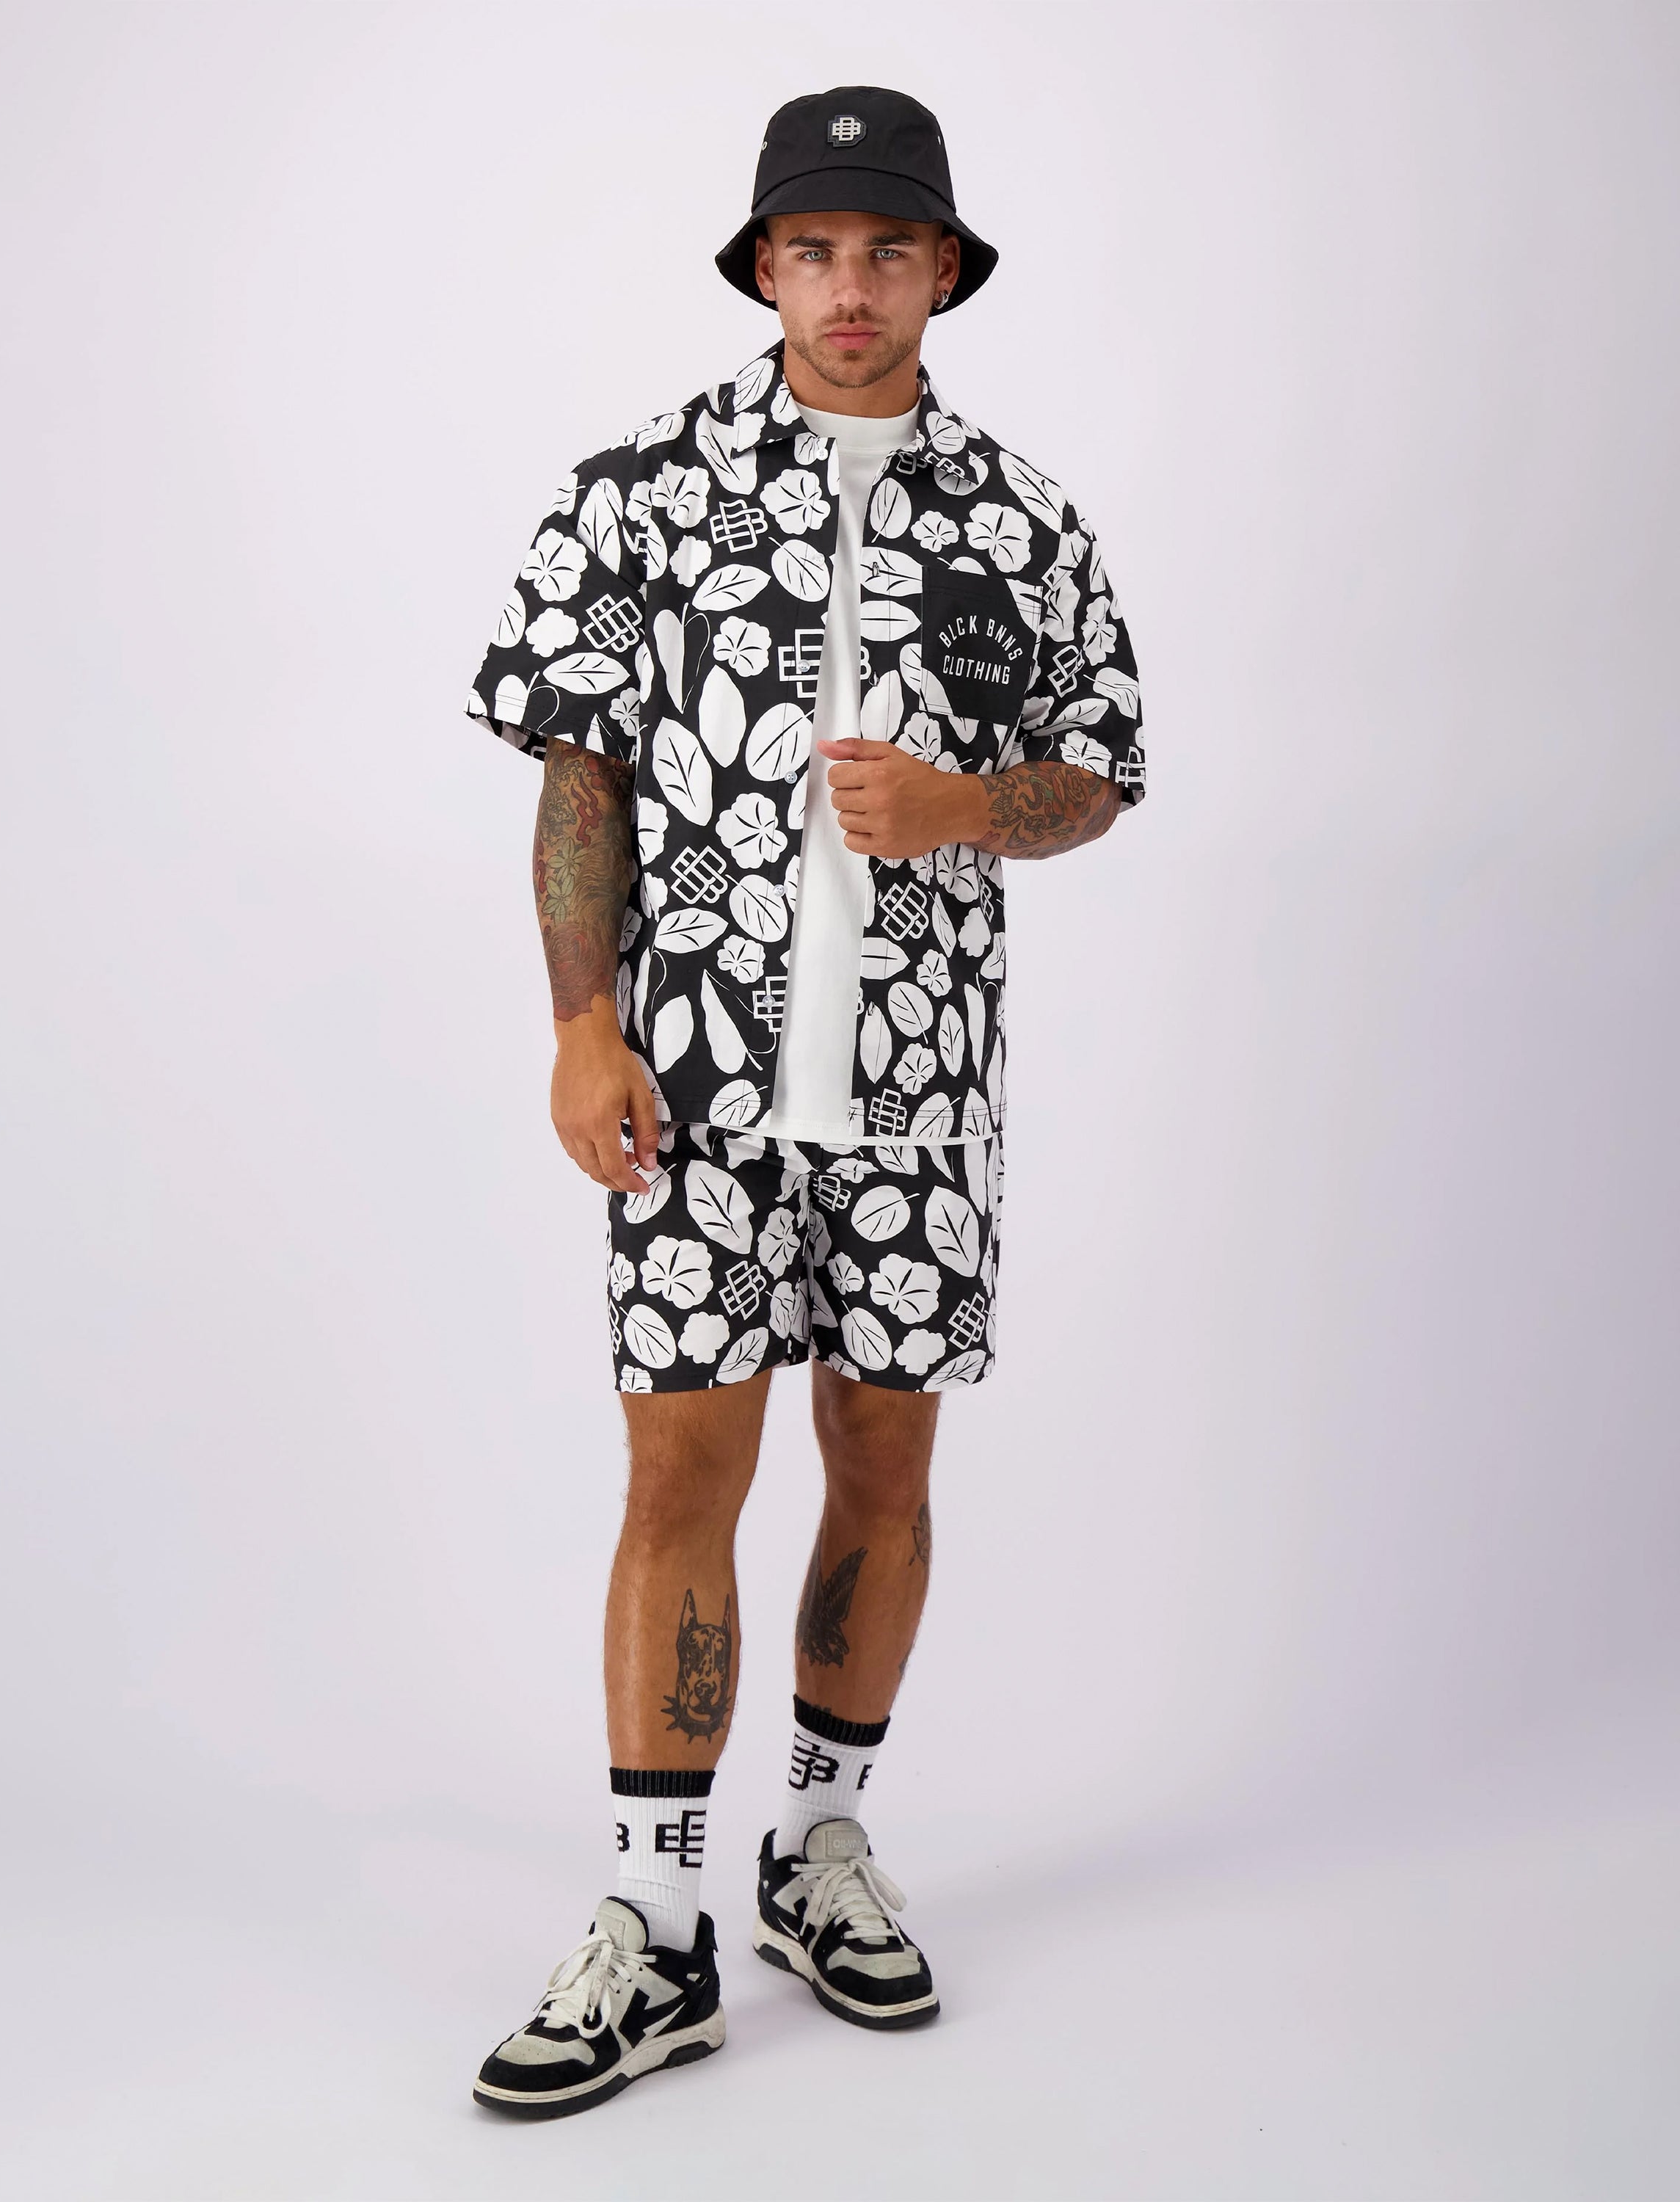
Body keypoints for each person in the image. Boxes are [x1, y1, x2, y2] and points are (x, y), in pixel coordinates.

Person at [462, 84, 1145, 2118]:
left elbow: (1100, 772)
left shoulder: (1025, 521)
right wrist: (581, 1028)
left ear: (945, 272)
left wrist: (970, 807)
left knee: (884, 1467)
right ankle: (655, 1918)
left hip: (922, 1095)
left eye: (889, 250)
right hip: (691, 1083)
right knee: (679, 1472)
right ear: (765, 266)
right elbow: (577, 778)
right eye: (816, 250)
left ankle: (819, 1846)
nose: (852, 288)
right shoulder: (639, 492)